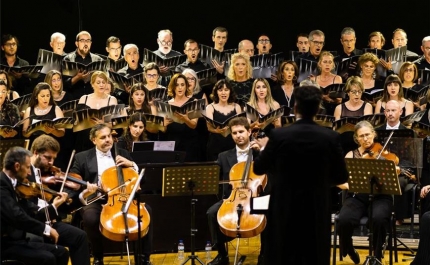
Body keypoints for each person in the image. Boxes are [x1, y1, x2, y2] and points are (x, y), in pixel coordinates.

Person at [253, 85, 349, 265]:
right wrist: (320, 181)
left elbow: (258, 168)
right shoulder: (330, 137)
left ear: (295, 107)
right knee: (314, 254)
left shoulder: (279, 135)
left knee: (283, 253)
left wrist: (268, 152)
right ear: (318, 108)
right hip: (316, 205)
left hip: (284, 205)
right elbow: (341, 176)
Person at [70, 123, 153, 265]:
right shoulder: (82, 157)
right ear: (94, 140)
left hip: (124, 198)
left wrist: (132, 165)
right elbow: (73, 181)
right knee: (90, 217)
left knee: (146, 212)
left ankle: (144, 258)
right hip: (96, 199)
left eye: (109, 136)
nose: (108, 140)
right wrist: (86, 188)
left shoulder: (123, 153)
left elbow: (142, 180)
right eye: (103, 137)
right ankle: (98, 257)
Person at [206, 116, 267, 265]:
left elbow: (271, 172)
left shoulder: (260, 153)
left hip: (257, 196)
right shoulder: (223, 156)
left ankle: (265, 254)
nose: (238, 135)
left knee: (269, 214)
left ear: (249, 132)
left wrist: (261, 153)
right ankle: (222, 254)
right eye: (235, 133)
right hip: (232, 198)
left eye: (241, 132)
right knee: (212, 213)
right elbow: (213, 178)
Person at [1, 146, 70, 265]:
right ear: (17, 166)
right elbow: (17, 217)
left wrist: (53, 206)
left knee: (62, 252)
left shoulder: (16, 185)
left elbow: (32, 212)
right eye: (28, 167)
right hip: (4, 244)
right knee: (47, 258)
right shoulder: (2, 186)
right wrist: (46, 229)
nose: (29, 173)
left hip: (17, 241)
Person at [29, 134, 91, 265]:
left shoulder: (45, 174)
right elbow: (28, 211)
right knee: (59, 252)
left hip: (49, 220)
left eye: (54, 158)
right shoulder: (25, 174)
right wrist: (53, 207)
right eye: (48, 158)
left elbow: (65, 209)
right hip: (34, 225)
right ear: (35, 152)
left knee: (80, 236)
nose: (52, 163)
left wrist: (83, 196)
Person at [337, 121, 393, 264]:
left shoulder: (383, 153)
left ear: (373, 134)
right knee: (343, 219)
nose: (365, 139)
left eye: (367, 134)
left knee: (379, 218)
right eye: (361, 136)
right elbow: (339, 179)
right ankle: (348, 248)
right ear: (357, 138)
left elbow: (394, 174)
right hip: (357, 196)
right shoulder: (351, 155)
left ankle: (377, 254)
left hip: (380, 195)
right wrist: (348, 185)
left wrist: (395, 170)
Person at [375, 100, 416, 226]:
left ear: (400, 112)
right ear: (384, 112)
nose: (390, 113)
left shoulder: (409, 132)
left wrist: (398, 167)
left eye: (393, 110)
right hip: (382, 167)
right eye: (388, 110)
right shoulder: (377, 132)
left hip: (402, 169)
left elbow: (411, 157)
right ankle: (378, 215)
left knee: (398, 182)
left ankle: (399, 217)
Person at [160, 73, 200, 162]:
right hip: (172, 145)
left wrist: (185, 119)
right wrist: (164, 125)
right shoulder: (166, 105)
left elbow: (194, 125)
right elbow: (163, 130)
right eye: (177, 85)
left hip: (190, 144)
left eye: (182, 85)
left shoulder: (194, 102)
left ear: (186, 86)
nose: (180, 87)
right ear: (173, 87)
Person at [205, 79, 242, 161]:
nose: (223, 93)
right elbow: (209, 128)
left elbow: (240, 126)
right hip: (215, 145)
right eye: (220, 90)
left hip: (232, 144)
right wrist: (217, 131)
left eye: (226, 90)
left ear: (230, 91)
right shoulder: (210, 107)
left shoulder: (237, 107)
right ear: (216, 92)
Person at [63, 31, 104, 100]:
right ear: (77, 43)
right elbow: (65, 84)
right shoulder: (68, 59)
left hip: (93, 99)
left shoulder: (98, 60)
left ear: (91, 43)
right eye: (82, 41)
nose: (86, 43)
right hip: (74, 99)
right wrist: (78, 77)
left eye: (88, 41)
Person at [310, 51, 343, 116]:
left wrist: (328, 100)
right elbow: (310, 99)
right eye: (325, 62)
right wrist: (324, 97)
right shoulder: (313, 79)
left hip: (333, 111)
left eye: (330, 62)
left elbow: (340, 100)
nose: (327, 64)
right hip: (316, 111)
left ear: (333, 65)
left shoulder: (337, 79)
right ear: (320, 64)